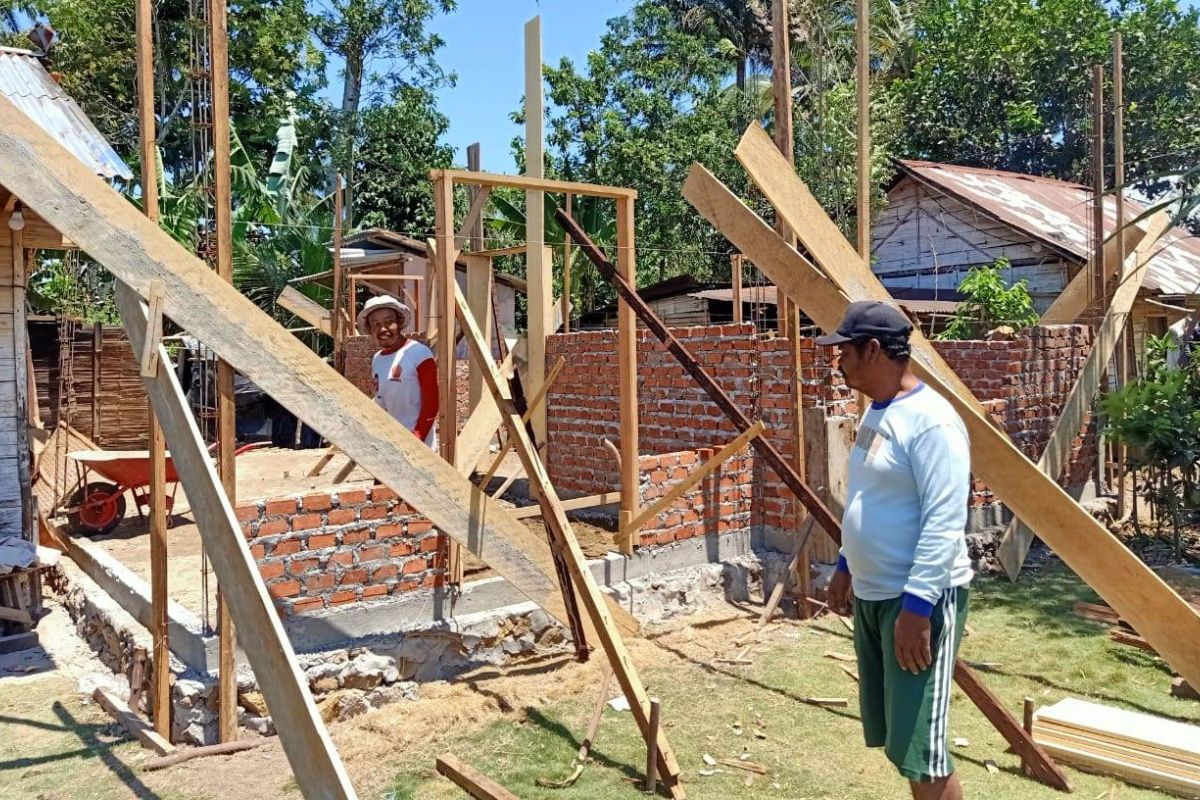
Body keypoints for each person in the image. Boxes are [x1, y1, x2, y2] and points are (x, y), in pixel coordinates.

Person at [819, 301, 973, 800]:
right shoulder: (878, 416)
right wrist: (846, 565)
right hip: (874, 593)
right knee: (905, 746)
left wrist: (917, 608)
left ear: (873, 350)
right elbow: (865, 495)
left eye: (844, 352)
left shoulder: (932, 423)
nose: (837, 362)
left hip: (917, 602)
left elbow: (945, 520)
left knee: (922, 752)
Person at [358, 295, 439, 448]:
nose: (383, 329)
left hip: (419, 445)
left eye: (389, 322)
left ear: (399, 322)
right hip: (392, 444)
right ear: (370, 329)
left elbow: (432, 403)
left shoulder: (419, 353)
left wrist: (417, 437)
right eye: (375, 324)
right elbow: (381, 402)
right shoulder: (377, 360)